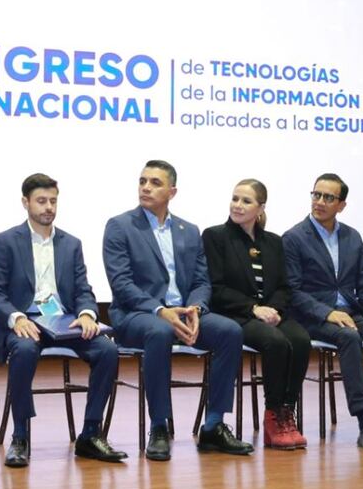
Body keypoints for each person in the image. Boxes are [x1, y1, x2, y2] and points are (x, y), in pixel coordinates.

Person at [103, 160, 252, 460]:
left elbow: (201, 280)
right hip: (137, 315)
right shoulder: (120, 226)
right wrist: (160, 310)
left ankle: (213, 426)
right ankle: (159, 426)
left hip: (184, 313)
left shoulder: (188, 230)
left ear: (172, 191)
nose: (146, 187)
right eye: (142, 181)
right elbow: (122, 284)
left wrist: (196, 307)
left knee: (230, 331)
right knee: (159, 331)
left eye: (155, 183)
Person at [0, 173, 126, 468]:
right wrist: (16, 317)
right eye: (41, 201)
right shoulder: (7, 241)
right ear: (25, 203)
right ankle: (21, 436)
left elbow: (83, 289)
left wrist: (87, 314)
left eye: (53, 201)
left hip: (64, 322)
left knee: (107, 350)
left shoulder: (71, 244)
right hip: (27, 322)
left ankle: (90, 434)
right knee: (23, 351)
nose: (48, 207)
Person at [282, 173, 363, 452]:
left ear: (341, 205)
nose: (320, 202)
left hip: (351, 311)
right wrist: (326, 313)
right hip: (313, 316)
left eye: (328, 197)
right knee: (349, 337)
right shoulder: (293, 237)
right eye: (316, 194)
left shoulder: (352, 237)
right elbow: (292, 291)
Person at [202, 179, 310, 450]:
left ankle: (287, 410)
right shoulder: (215, 236)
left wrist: (274, 310)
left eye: (246, 201)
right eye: (235, 198)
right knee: (274, 342)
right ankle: (273, 416)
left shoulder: (273, 242)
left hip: (269, 314)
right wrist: (253, 309)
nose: (237, 205)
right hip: (235, 314)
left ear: (260, 208)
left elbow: (284, 286)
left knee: (299, 339)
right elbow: (216, 288)